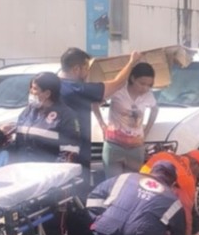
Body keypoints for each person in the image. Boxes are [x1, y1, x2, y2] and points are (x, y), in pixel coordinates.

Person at [12, 72, 83, 235]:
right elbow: (19, 145)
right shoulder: (28, 112)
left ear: (47, 93)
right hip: (26, 184)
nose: (31, 93)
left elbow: (69, 153)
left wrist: (54, 181)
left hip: (52, 185)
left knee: (55, 231)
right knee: (27, 230)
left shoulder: (65, 116)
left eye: (34, 89)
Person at [59, 47, 143, 187]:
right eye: (86, 68)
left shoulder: (54, 84)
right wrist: (132, 62)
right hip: (75, 153)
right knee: (77, 193)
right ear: (76, 69)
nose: (88, 73)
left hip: (56, 152)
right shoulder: (77, 89)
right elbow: (117, 84)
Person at [98, 62, 158, 178]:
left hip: (136, 148)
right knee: (113, 183)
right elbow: (95, 103)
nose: (145, 88)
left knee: (130, 185)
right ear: (132, 78)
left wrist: (146, 131)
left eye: (149, 85)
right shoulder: (118, 90)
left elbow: (155, 110)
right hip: (114, 146)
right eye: (142, 83)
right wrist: (102, 124)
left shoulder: (148, 95)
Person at [140, 148, 199, 235]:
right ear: (195, 164)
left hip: (135, 192)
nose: (198, 177)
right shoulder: (189, 181)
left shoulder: (164, 154)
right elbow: (185, 215)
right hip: (148, 214)